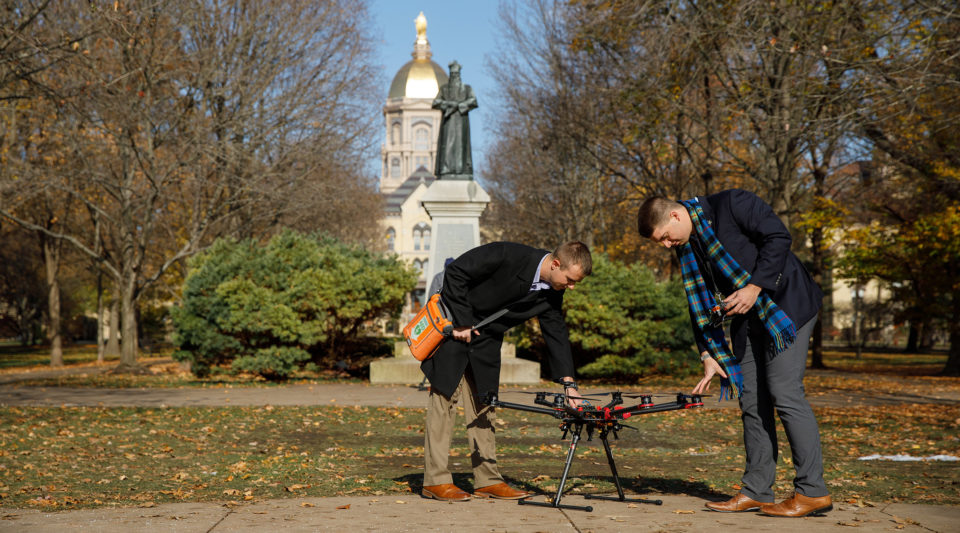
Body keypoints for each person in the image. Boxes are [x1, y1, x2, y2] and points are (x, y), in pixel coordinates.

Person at [637, 189, 831, 517]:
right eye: (662, 243)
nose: (667, 246)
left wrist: (755, 287)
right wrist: (707, 354)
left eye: (666, 238)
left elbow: (779, 237)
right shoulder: (688, 246)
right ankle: (757, 491)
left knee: (785, 393)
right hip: (747, 318)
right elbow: (698, 301)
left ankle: (812, 491)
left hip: (786, 307)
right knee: (751, 400)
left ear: (675, 216)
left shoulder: (732, 205)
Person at [420, 241, 592, 502]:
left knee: (485, 405)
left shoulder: (551, 291)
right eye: (569, 280)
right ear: (556, 264)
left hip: (487, 341)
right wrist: (463, 322)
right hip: (454, 328)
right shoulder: (508, 254)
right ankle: (436, 481)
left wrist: (570, 386)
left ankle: (487, 480)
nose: (571, 287)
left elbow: (555, 331)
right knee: (444, 402)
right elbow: (456, 272)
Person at [432, 61, 477, 180]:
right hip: (449, 122)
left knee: (461, 145)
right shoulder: (444, 89)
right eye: (452, 74)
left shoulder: (467, 89)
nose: (454, 77)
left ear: (459, 75)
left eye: (456, 74)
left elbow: (473, 101)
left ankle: (461, 169)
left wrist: (460, 106)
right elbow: (436, 103)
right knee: (448, 144)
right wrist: (449, 104)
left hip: (462, 122)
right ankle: (446, 168)